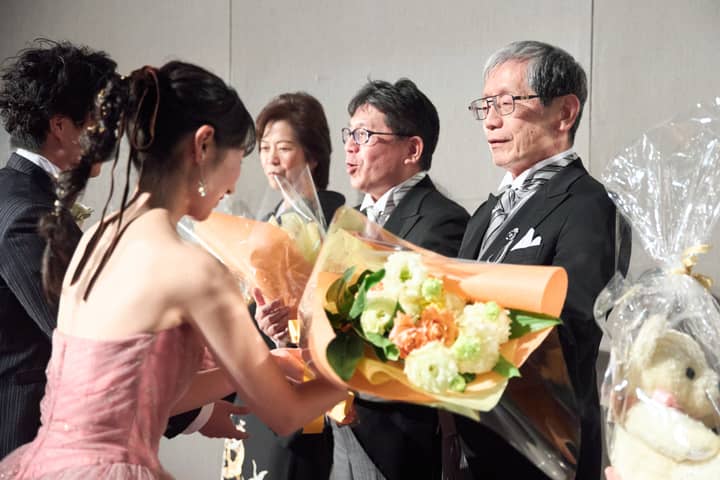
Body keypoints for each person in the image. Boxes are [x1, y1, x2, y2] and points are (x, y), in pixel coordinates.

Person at [0, 61, 347, 479]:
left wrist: (268, 365)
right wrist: (359, 367)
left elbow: (139, 394)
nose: (233, 185)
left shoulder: (98, 235)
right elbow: (286, 414)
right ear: (203, 145)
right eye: (239, 158)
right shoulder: (192, 268)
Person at [455, 40, 630, 479]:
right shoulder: (485, 213)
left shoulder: (589, 204)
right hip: (477, 446)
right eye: (485, 105)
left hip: (546, 452)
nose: (490, 120)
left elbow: (572, 325)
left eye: (506, 103)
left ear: (564, 113)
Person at [334, 78, 469, 480]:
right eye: (349, 134)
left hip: (396, 431)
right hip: (339, 418)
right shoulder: (348, 221)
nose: (351, 146)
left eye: (364, 135)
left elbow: (428, 326)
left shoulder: (442, 220)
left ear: (412, 149)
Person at [0, 40, 117, 458]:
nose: (109, 136)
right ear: (61, 126)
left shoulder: (11, 192)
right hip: (24, 436)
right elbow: (82, 338)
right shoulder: (29, 215)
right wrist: (193, 413)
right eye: (99, 122)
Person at [227, 92, 345, 480]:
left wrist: (289, 328)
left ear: (313, 156)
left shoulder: (335, 222)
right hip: (254, 385)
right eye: (264, 149)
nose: (272, 160)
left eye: (284, 148)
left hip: (299, 391)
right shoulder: (265, 221)